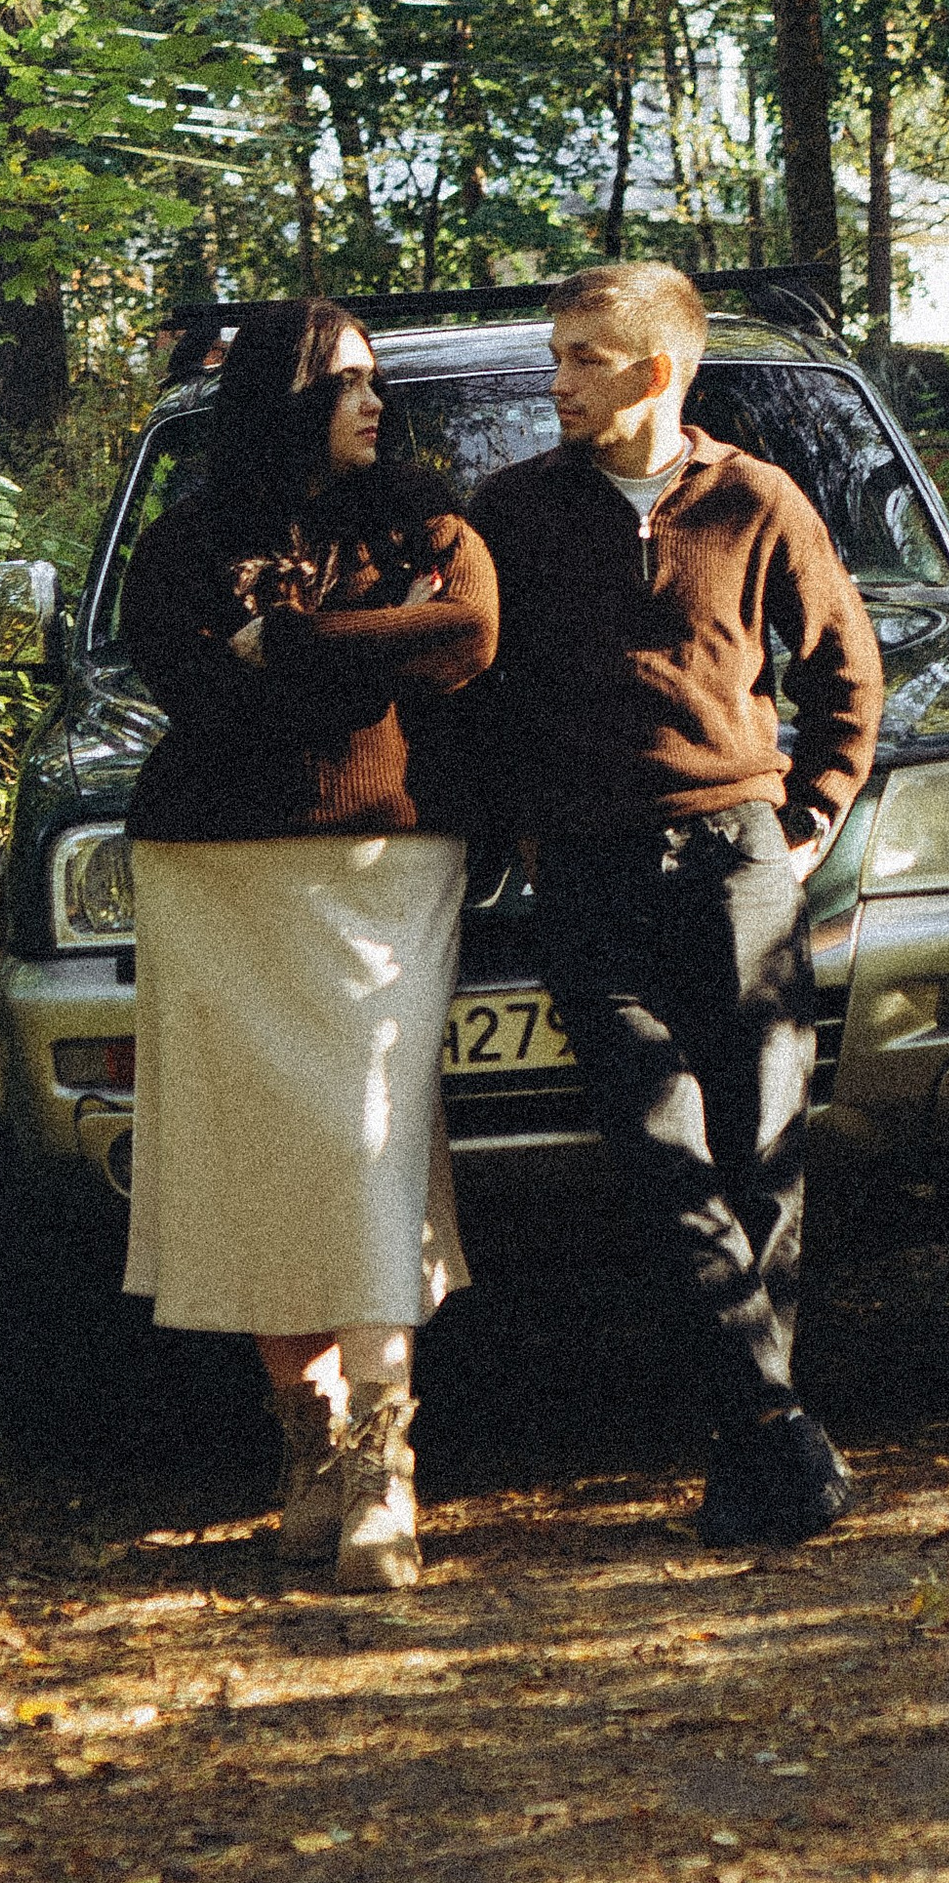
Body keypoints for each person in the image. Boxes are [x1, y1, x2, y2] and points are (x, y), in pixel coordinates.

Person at [469, 261, 883, 1546]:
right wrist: (521, 830)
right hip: (588, 875)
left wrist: (808, 820)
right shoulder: (514, 513)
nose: (557, 380)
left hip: (737, 863)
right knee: (661, 1159)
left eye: (584, 358)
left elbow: (844, 670)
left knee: (763, 1151)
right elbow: (473, 695)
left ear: (656, 372)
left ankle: (746, 1447)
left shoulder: (759, 503)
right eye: (557, 355)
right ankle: (779, 1427)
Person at [116, 298, 497, 1590]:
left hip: (386, 868)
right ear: (286, 398)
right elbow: (196, 693)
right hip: (212, 874)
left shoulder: (427, 528)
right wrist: (370, 651)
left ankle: (387, 1472)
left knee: (367, 1150)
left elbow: (468, 638)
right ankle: (312, 1455)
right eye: (348, 382)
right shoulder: (181, 545)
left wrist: (287, 638)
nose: (374, 403)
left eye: (375, 381)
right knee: (257, 1170)